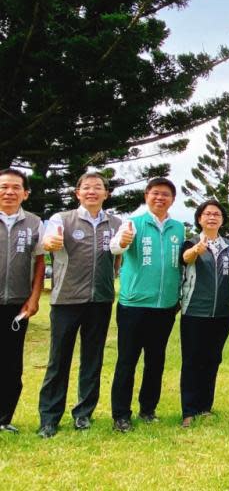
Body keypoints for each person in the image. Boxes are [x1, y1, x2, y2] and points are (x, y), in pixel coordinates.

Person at [37, 173, 122, 438]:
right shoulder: (61, 220)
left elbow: (118, 256)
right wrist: (50, 243)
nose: (92, 192)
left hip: (101, 300)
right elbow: (48, 240)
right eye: (87, 188)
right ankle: (49, 418)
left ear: (106, 194)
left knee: (92, 359)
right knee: (58, 360)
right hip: (66, 300)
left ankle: (83, 413)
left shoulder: (116, 222)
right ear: (77, 193)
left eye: (98, 188)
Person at [109, 177, 185, 432]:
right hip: (134, 305)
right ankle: (121, 414)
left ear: (172, 199)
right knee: (127, 360)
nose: (160, 198)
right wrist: (123, 240)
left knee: (156, 360)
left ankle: (148, 409)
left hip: (164, 307)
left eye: (165, 194)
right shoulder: (132, 223)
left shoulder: (178, 228)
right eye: (155, 193)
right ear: (146, 196)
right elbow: (115, 248)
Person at [179, 199, 229, 428]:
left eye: (216, 214)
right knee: (192, 360)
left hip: (222, 313)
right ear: (199, 219)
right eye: (207, 214)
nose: (212, 217)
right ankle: (189, 410)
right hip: (195, 310)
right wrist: (197, 249)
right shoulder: (191, 242)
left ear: (222, 220)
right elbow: (186, 259)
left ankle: (205, 406)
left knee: (213, 359)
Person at [0, 168, 45, 434]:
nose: (9, 192)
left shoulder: (34, 223)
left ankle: (3, 418)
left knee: (10, 364)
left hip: (17, 305)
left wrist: (34, 297)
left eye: (15, 187)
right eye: (4, 186)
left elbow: (40, 261)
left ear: (25, 193)